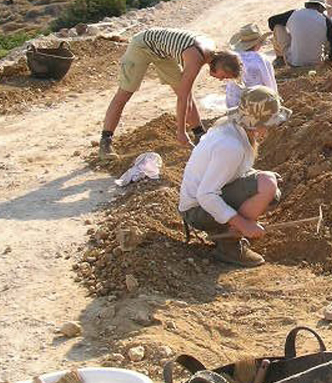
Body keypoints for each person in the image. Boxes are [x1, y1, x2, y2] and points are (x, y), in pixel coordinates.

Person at [178, 86, 291, 267]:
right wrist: (243, 225)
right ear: (255, 123)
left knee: (270, 188)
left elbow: (231, 174)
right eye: (268, 123)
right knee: (267, 184)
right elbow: (206, 195)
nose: (270, 128)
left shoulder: (232, 127)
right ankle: (229, 245)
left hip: (201, 205)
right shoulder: (231, 146)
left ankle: (229, 230)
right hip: (196, 210)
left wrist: (257, 175)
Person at [100, 27, 242, 159]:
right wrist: (181, 131)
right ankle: (105, 143)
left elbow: (185, 94)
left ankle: (200, 136)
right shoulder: (196, 59)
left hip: (162, 53)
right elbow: (183, 98)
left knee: (184, 91)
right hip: (142, 45)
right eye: (223, 76)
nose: (220, 79)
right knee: (124, 93)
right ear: (220, 65)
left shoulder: (212, 53)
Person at [268, 0, 332, 68]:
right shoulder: (326, 20)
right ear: (320, 7)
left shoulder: (294, 13)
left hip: (294, 62)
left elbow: (271, 21)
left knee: (277, 27)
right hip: (317, 62)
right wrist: (330, 59)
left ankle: (280, 58)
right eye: (323, 9)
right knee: (328, 37)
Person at [225, 23, 277, 109]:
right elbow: (270, 83)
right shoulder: (261, 59)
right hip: (257, 106)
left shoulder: (234, 58)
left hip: (234, 106)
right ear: (258, 44)